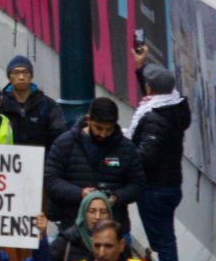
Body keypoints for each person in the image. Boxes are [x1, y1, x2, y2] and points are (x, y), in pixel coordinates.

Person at [43, 96, 143, 230]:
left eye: (109, 129)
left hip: (114, 226)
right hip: (73, 226)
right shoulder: (65, 143)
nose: (103, 134)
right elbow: (51, 179)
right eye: (99, 128)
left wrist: (117, 197)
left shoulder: (126, 148)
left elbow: (138, 184)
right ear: (89, 120)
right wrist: (79, 193)